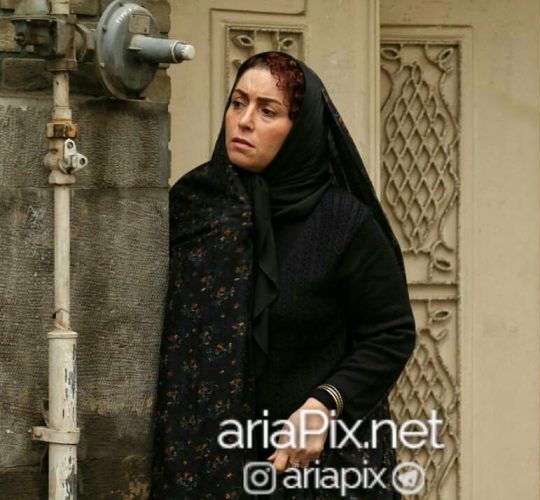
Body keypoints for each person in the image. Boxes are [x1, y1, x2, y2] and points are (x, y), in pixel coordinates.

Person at [151, 51, 416, 499]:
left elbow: (391, 334)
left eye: (267, 111)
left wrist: (325, 404)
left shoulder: (343, 225)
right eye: (238, 103)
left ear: (300, 129)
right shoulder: (195, 206)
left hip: (316, 466)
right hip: (207, 463)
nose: (244, 121)